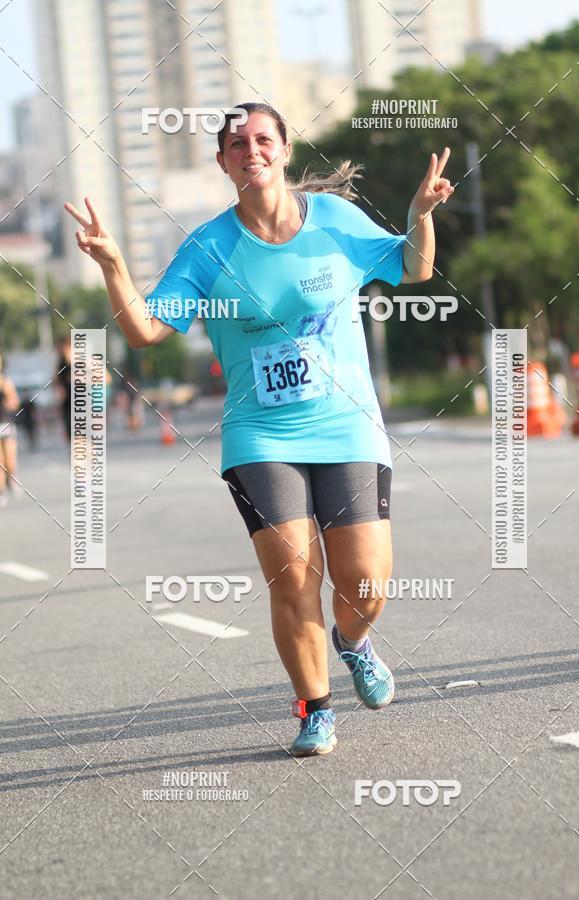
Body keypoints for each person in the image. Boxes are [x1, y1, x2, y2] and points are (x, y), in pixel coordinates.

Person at [64, 101, 454, 757]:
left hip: (347, 428)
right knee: (293, 575)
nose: (252, 149)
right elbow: (148, 330)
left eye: (263, 138)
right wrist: (112, 266)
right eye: (237, 143)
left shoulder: (333, 220)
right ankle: (315, 707)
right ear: (223, 162)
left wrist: (422, 216)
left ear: (283, 150)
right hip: (260, 437)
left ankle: (353, 641)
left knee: (364, 585)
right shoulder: (209, 248)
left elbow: (413, 266)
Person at [0, 354, 21, 507]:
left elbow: (15, 402)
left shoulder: (5, 381)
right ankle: (1, 491)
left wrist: (9, 401)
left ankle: (11, 477)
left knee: (9, 461)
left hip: (6, 423)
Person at [55, 336, 72, 443]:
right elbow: (56, 380)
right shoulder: (60, 362)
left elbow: (106, 378)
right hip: (67, 403)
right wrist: (58, 388)